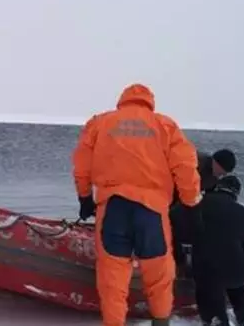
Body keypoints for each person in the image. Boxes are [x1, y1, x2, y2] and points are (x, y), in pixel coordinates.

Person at [72, 83, 202, 326]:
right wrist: (190, 202)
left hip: (112, 209)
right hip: (152, 210)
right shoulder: (165, 125)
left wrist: (84, 198)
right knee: (159, 276)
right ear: (150, 101)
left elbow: (82, 164)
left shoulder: (101, 123)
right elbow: (185, 167)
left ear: (122, 100)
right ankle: (161, 322)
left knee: (113, 280)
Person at [191, 175, 244, 326]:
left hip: (209, 270)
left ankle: (217, 319)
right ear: (236, 194)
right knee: (235, 272)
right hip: (238, 272)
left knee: (210, 285)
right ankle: (243, 316)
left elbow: (178, 224)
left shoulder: (199, 204)